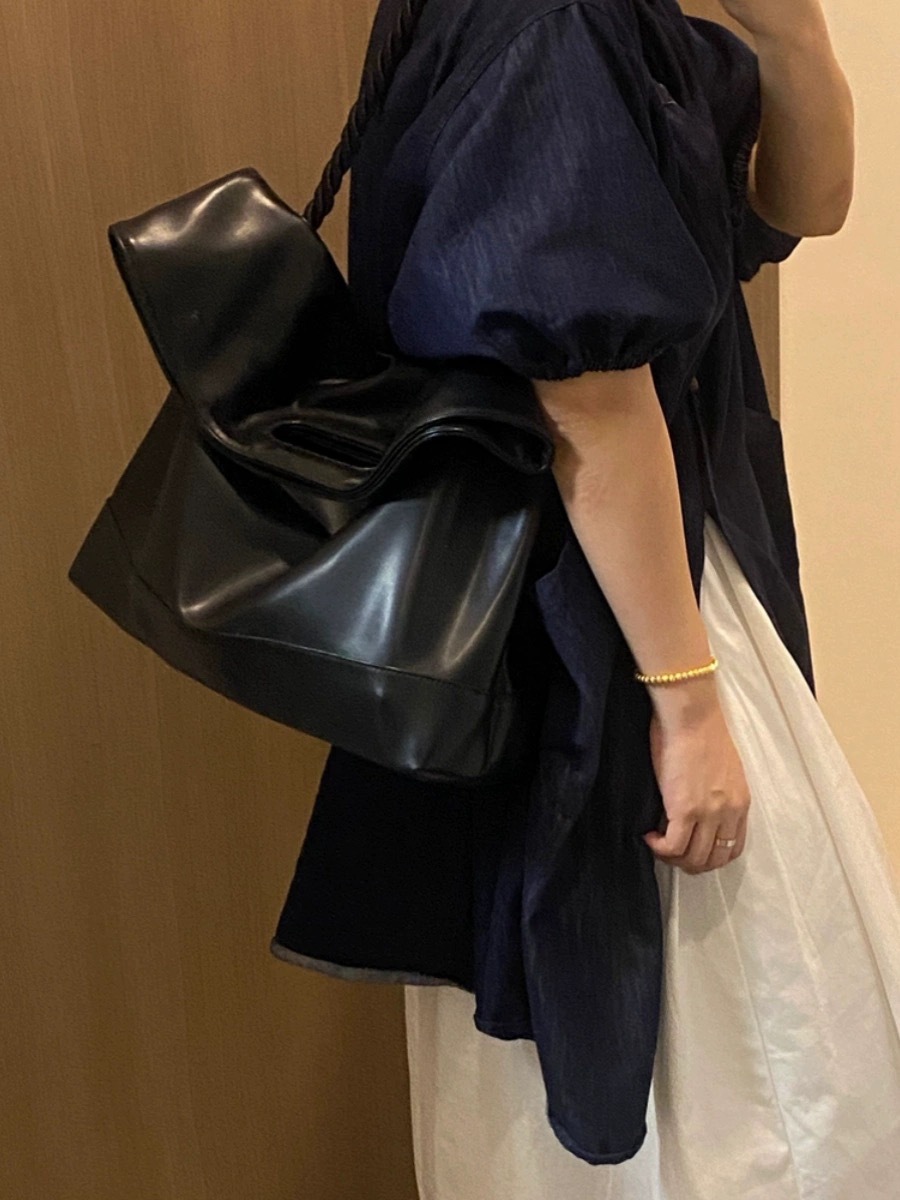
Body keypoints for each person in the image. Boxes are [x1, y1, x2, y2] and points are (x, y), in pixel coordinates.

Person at [271, 0, 900, 1194]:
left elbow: (797, 208)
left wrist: (790, 34)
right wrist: (689, 703)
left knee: (743, 1041)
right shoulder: (548, 20)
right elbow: (585, 396)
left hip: (650, 566)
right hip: (591, 614)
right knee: (748, 1058)